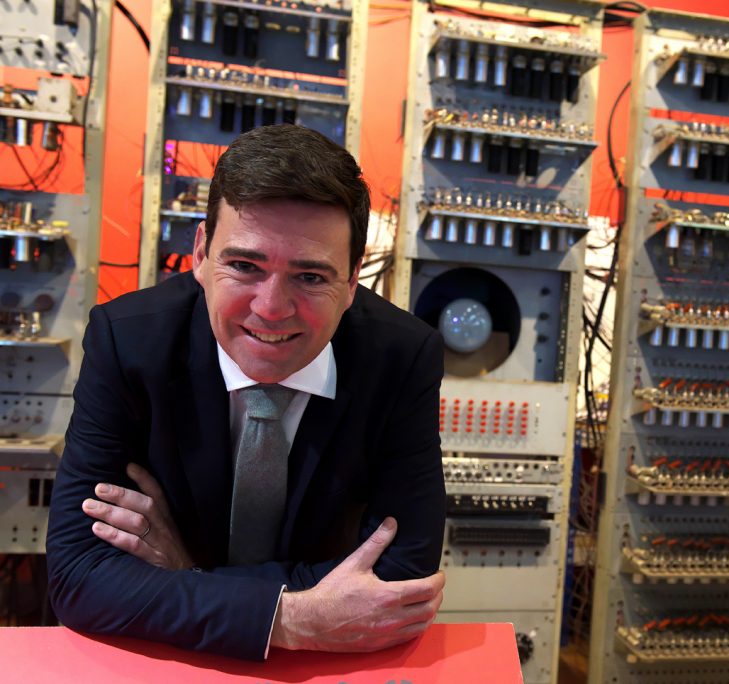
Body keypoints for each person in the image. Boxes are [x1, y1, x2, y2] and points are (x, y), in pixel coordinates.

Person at [45, 124, 446, 661]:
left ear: (353, 280)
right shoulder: (128, 341)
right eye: (244, 266)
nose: (271, 308)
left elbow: (400, 578)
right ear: (201, 254)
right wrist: (286, 618)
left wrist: (189, 576)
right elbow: (77, 575)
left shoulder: (402, 356)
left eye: (310, 277)